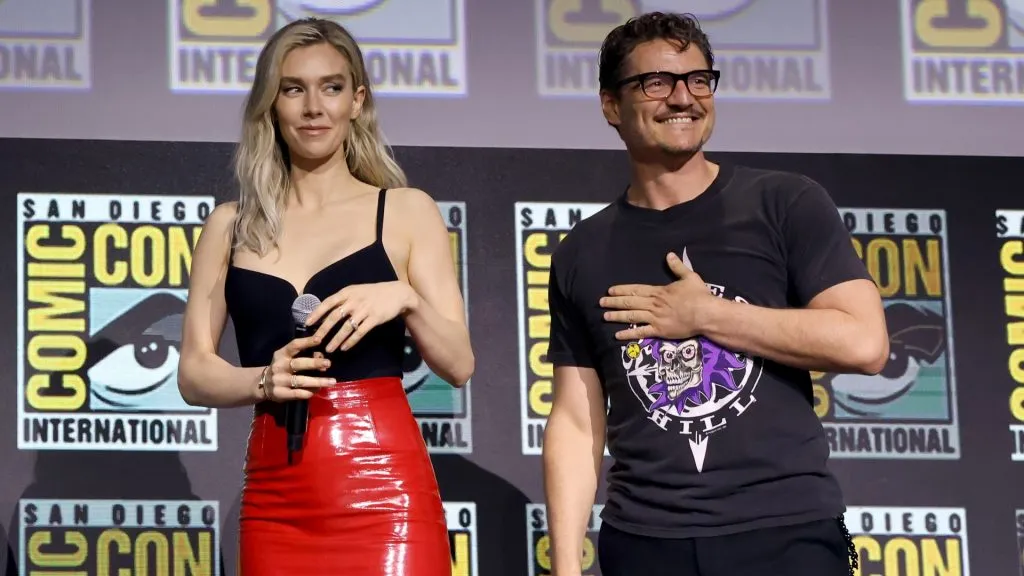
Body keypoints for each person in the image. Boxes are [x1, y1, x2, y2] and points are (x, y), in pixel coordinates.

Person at [541, 12, 888, 576]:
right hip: (644, 541)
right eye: (656, 82)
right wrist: (564, 564)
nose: (683, 98)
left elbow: (864, 343)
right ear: (610, 105)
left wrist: (707, 315)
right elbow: (577, 423)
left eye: (698, 80)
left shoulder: (785, 203)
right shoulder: (582, 251)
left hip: (784, 532)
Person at [176, 17, 473, 575]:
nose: (314, 108)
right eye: (294, 89)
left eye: (331, 88)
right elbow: (194, 372)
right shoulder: (230, 225)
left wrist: (405, 298)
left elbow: (459, 364)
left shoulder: (405, 210)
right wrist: (262, 381)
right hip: (275, 498)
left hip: (386, 491)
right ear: (272, 104)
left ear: (357, 101)